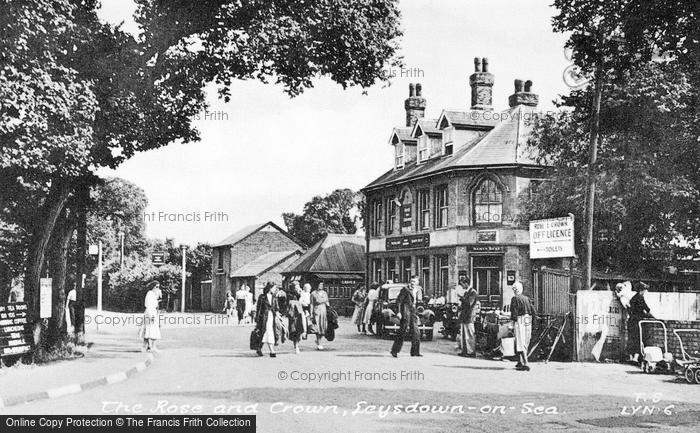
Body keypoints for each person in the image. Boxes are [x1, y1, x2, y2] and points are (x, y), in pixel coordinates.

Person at [390, 277, 422, 357]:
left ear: (417, 282)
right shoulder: (405, 289)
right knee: (402, 331)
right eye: (411, 281)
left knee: (416, 332)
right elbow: (399, 301)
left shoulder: (417, 290)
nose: (412, 283)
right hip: (406, 312)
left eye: (414, 281)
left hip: (413, 312)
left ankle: (415, 352)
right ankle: (394, 351)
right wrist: (399, 312)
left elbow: (418, 302)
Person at [509, 280, 536, 371]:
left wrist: (511, 324)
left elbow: (514, 313)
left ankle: (525, 363)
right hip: (528, 320)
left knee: (520, 341)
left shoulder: (515, 299)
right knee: (525, 341)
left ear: (515, 290)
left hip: (520, 320)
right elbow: (533, 311)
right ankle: (520, 361)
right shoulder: (527, 299)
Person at [628, 281, 654, 363]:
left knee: (632, 339)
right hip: (638, 321)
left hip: (632, 320)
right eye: (644, 290)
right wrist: (653, 317)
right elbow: (647, 309)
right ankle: (636, 357)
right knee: (639, 338)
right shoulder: (640, 298)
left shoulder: (633, 298)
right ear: (641, 290)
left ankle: (631, 357)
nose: (645, 292)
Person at [254, 282, 279, 357]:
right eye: (274, 288)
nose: (275, 289)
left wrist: (277, 313)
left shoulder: (274, 297)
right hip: (264, 317)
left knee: (267, 332)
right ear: (270, 288)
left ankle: (259, 348)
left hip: (272, 317)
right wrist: (257, 319)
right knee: (266, 331)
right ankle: (272, 350)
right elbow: (259, 308)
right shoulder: (262, 297)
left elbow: (276, 307)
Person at [458, 277, 479, 357]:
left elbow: (469, 303)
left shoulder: (473, 292)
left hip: (469, 316)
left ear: (466, 283)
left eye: (462, 284)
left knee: (469, 334)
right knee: (463, 334)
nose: (462, 286)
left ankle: (471, 352)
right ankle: (465, 351)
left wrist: (461, 298)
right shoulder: (467, 292)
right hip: (464, 316)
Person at [141, 281, 162, 353]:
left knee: (154, 329)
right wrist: (151, 315)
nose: (157, 288)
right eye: (156, 287)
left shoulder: (154, 294)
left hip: (154, 312)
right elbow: (148, 305)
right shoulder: (149, 293)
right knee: (148, 329)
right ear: (153, 286)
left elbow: (156, 304)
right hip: (150, 313)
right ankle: (146, 346)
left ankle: (152, 346)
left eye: (158, 287)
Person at [287, 282, 307, 354]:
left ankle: (297, 343)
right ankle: (296, 346)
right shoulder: (289, 294)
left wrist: (301, 296)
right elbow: (290, 304)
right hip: (293, 314)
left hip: (300, 314)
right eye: (296, 287)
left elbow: (305, 303)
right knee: (294, 330)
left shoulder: (301, 294)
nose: (297, 289)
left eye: (298, 287)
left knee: (301, 329)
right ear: (293, 288)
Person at [311, 282, 330, 350]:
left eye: (321, 285)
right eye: (319, 285)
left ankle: (318, 340)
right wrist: (311, 313)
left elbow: (327, 301)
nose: (320, 286)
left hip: (324, 311)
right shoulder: (313, 293)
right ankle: (319, 343)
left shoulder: (325, 293)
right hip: (317, 311)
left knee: (324, 327)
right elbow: (311, 304)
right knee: (318, 327)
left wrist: (329, 307)